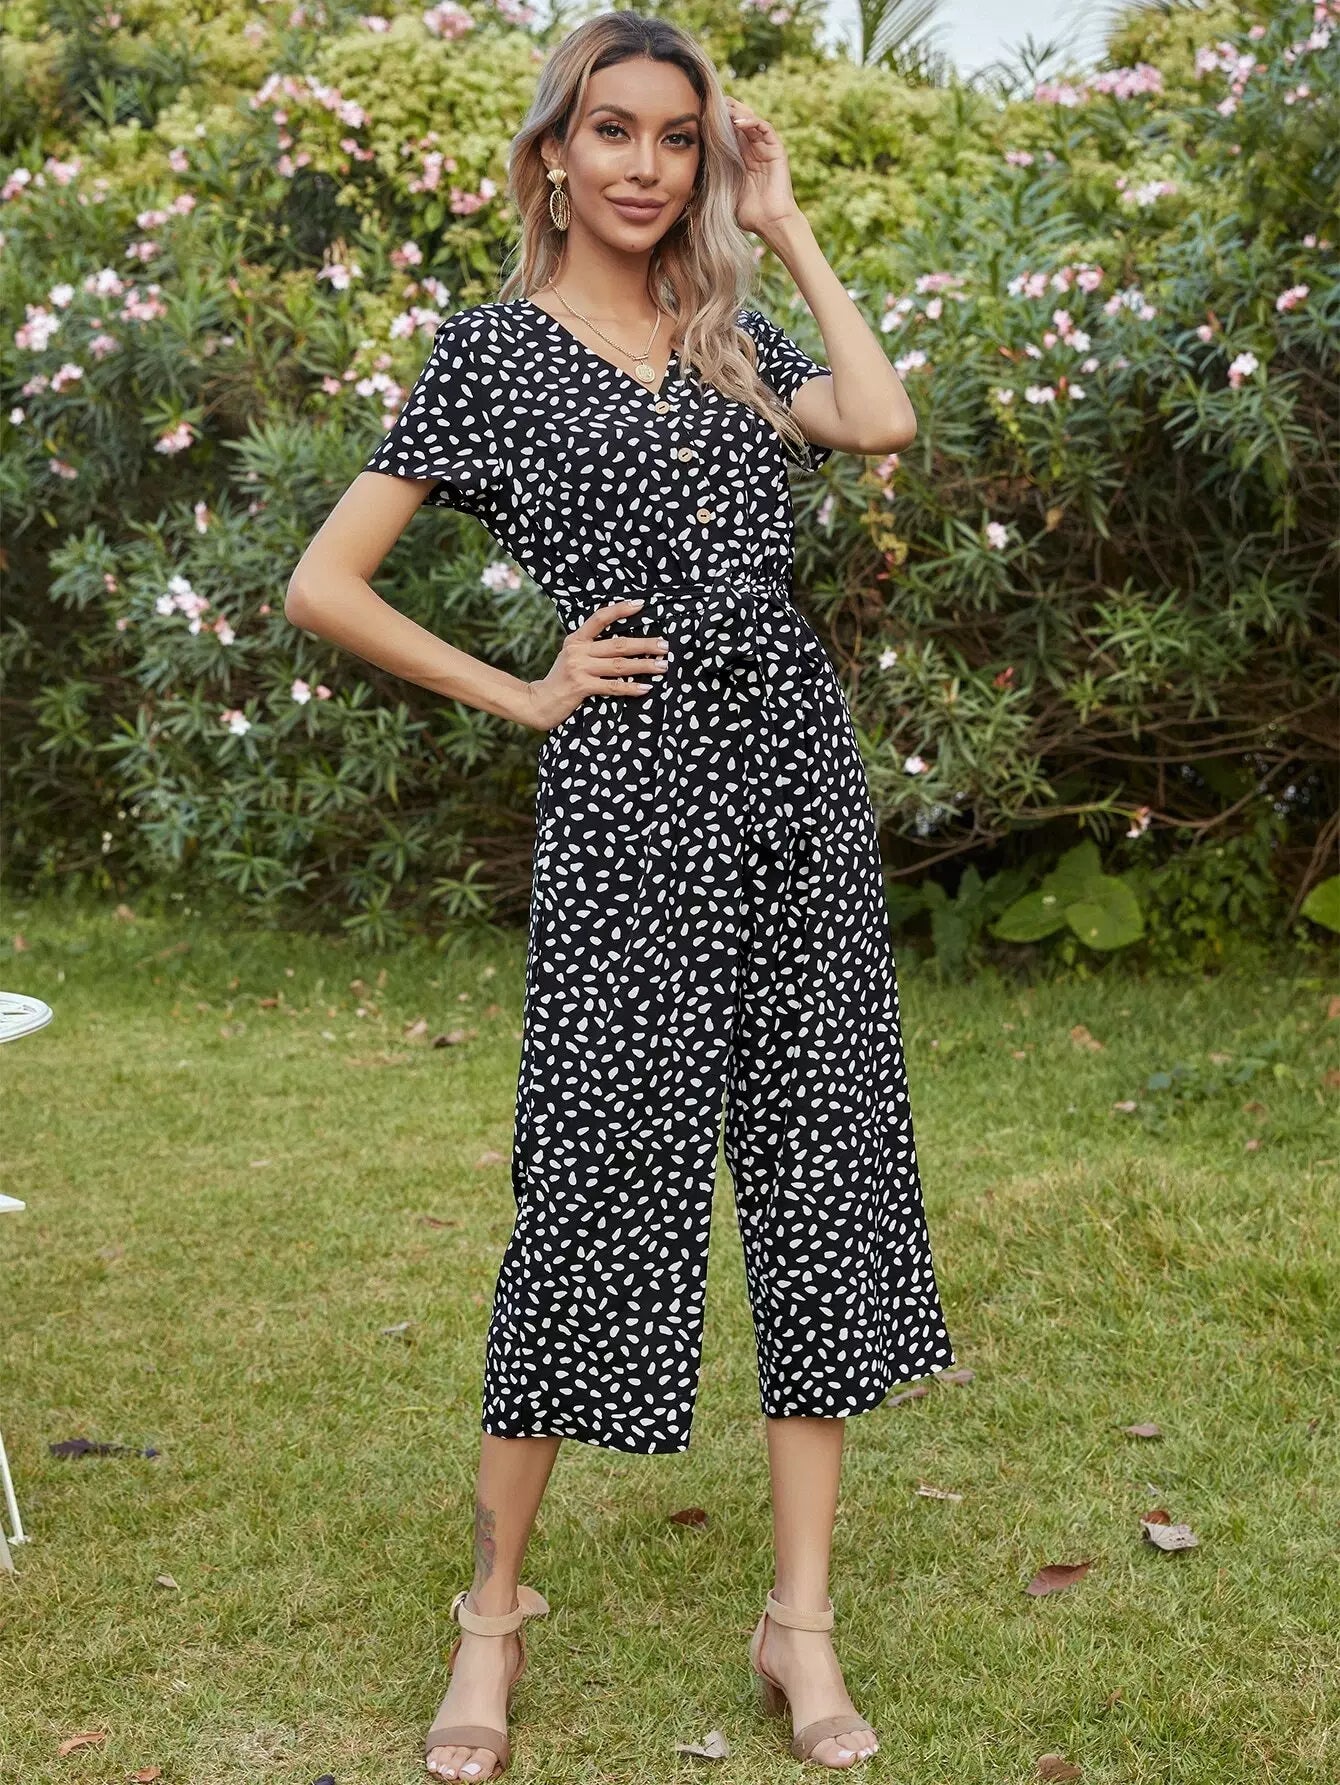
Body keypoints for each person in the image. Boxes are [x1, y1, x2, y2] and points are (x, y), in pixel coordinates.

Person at [286, 11, 955, 1778]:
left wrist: (785, 224)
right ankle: (492, 1614)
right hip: (631, 798)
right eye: (613, 131)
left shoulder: (731, 334)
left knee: (820, 1170)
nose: (647, 165)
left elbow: (881, 419)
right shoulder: (493, 353)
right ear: (552, 156)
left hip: (793, 786)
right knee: (590, 1188)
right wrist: (522, 690)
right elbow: (325, 583)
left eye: (677, 136)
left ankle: (800, 1622)